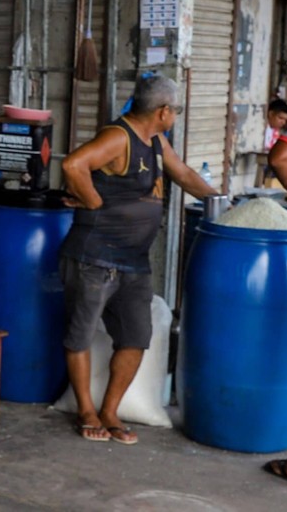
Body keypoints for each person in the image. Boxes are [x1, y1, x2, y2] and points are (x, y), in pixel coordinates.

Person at [59, 74, 217, 445]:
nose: (174, 116)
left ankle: (110, 410)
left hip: (134, 261)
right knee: (79, 336)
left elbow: (185, 175)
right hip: (94, 258)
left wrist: (220, 202)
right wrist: (94, 202)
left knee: (135, 337)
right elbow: (73, 165)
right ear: (163, 111)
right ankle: (86, 410)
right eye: (174, 110)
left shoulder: (157, 141)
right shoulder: (119, 137)